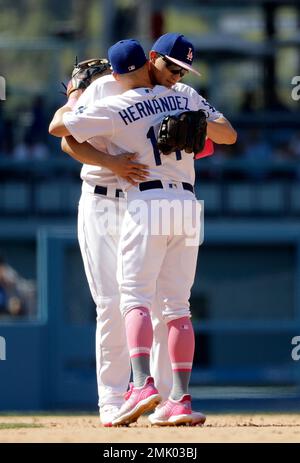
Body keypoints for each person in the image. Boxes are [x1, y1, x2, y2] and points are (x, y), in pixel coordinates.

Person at [50, 37, 237, 426]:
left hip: (145, 200)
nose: (177, 75)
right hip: (106, 197)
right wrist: (108, 157)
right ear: (150, 61)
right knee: (113, 303)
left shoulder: (179, 91)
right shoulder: (105, 87)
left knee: (151, 304)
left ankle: (163, 396)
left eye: (182, 70)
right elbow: (66, 139)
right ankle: (115, 398)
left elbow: (223, 135)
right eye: (171, 68)